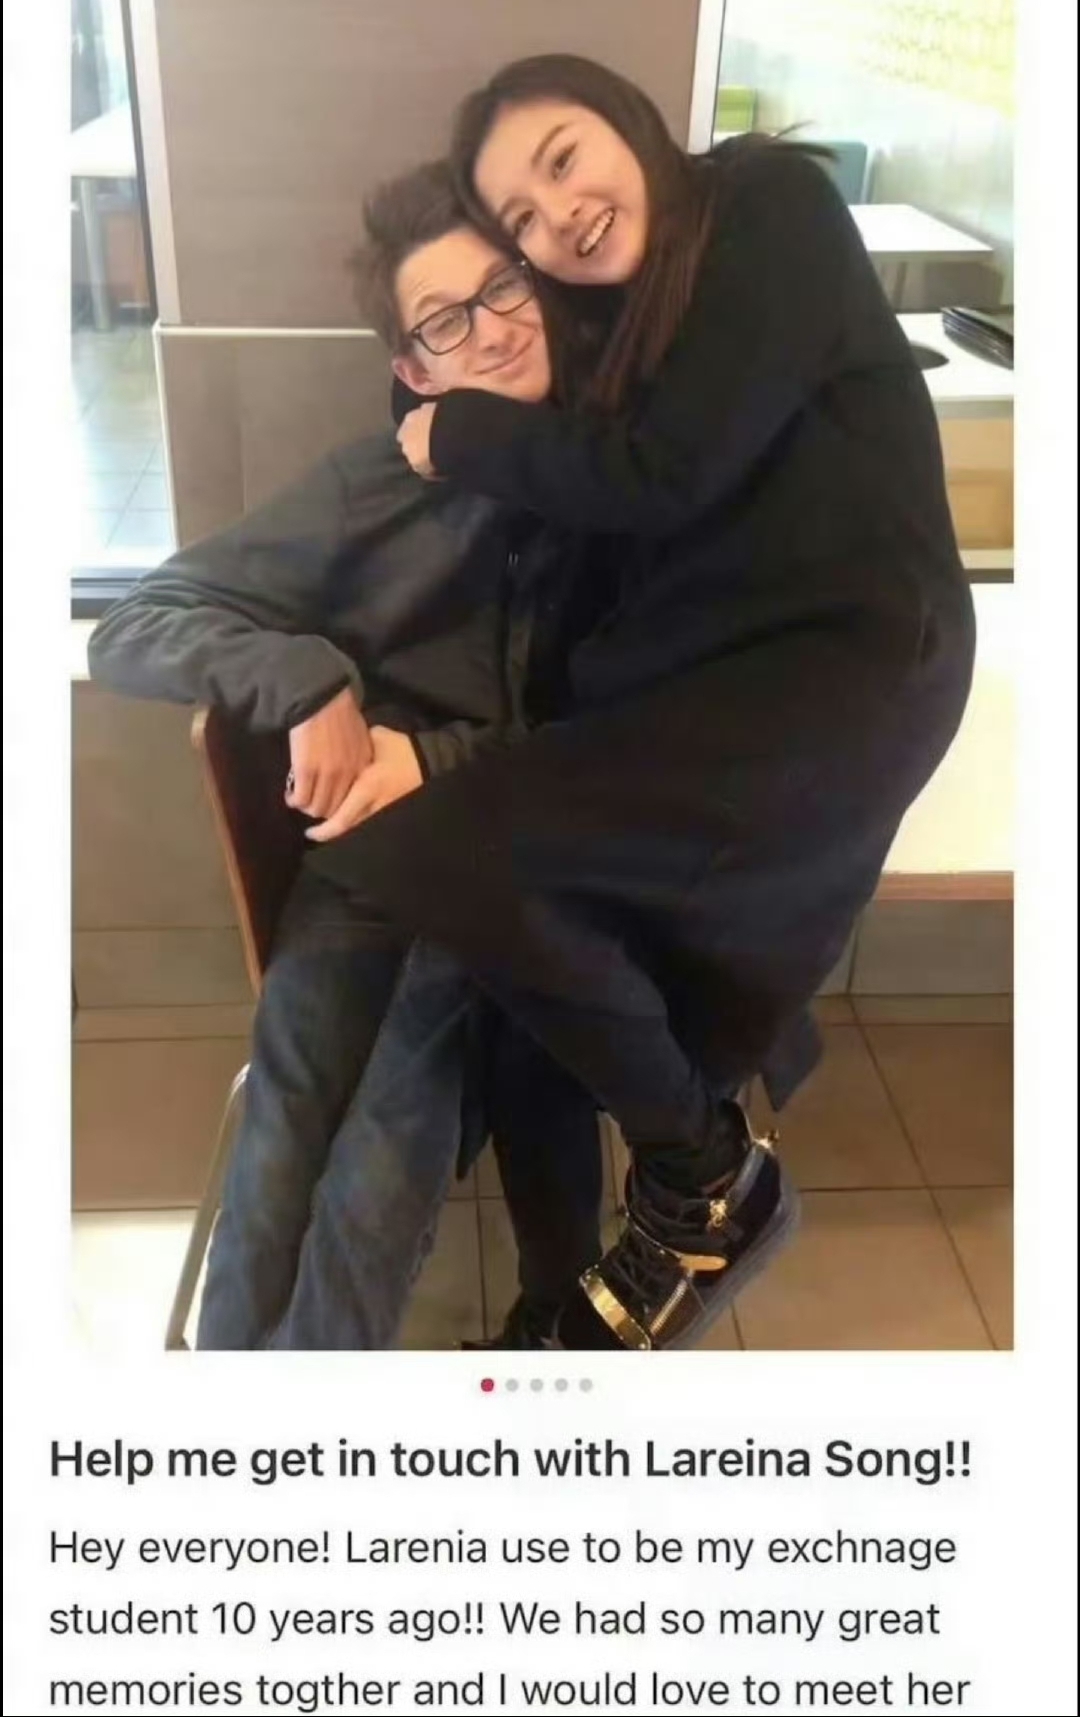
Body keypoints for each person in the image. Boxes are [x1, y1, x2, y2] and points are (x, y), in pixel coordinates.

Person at [302, 55, 977, 1352]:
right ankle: (557, 1315)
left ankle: (704, 1169)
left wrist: (460, 436)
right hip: (710, 677)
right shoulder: (616, 307)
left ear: (627, 118)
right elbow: (441, 388)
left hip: (847, 667)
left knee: (443, 855)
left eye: (562, 159)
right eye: (522, 218)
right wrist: (434, 393)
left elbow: (667, 470)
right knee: (519, 991)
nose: (560, 215)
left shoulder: (769, 203)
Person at [88, 160, 606, 1351]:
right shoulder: (373, 489)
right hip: (370, 866)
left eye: (505, 287)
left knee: (384, 1151)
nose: (492, 329)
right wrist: (305, 672)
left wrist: (440, 756)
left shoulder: (626, 484)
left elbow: (639, 732)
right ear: (414, 370)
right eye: (445, 321)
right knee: (286, 1129)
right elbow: (134, 627)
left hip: (530, 875)